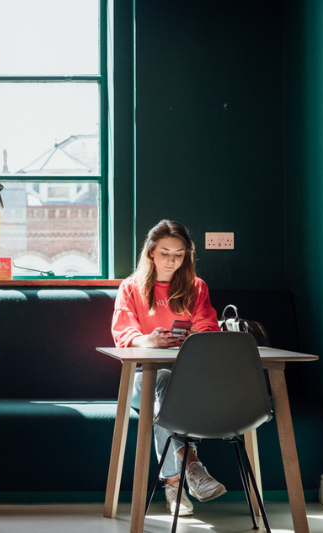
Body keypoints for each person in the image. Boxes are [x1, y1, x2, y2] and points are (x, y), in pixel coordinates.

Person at [111, 219, 225, 516]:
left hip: (188, 380)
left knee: (169, 388)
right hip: (140, 380)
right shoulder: (131, 287)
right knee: (162, 380)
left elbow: (210, 329)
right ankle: (190, 465)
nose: (172, 260)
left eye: (179, 253)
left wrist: (192, 337)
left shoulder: (196, 287)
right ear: (151, 252)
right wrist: (147, 341)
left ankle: (173, 485)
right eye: (165, 253)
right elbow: (123, 335)